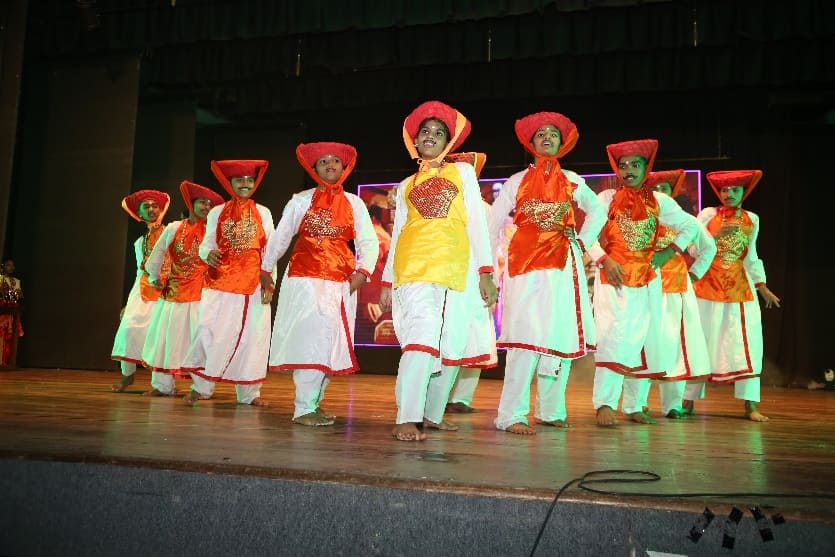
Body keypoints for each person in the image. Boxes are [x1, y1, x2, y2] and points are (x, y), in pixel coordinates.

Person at [379, 100, 498, 441]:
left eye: (438, 133)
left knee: (452, 341)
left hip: (457, 269)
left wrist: (485, 271)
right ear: (414, 141)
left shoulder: (461, 173)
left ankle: (431, 414)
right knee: (423, 334)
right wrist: (387, 280)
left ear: (449, 142)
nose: (430, 137)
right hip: (414, 268)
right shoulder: (404, 187)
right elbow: (399, 230)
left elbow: (475, 220)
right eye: (425, 132)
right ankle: (407, 417)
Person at [488, 111, 606, 434]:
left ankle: (551, 410)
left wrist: (582, 242)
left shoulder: (572, 179)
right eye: (540, 134)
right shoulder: (516, 181)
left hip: (562, 265)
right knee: (525, 338)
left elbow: (598, 210)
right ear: (531, 143)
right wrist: (487, 267)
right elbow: (493, 222)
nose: (547, 138)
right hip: (524, 266)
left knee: (558, 334)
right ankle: (511, 414)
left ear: (562, 142)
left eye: (553, 134)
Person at [260, 142, 378, 426]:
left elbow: (368, 240)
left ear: (344, 167)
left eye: (335, 161)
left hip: (341, 281)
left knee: (330, 343)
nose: (329, 166)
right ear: (315, 168)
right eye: (323, 162)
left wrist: (362, 272)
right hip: (305, 278)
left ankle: (313, 402)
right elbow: (281, 236)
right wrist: (265, 268)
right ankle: (303, 408)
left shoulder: (354, 202)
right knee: (310, 340)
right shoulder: (301, 200)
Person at [586, 139, 699, 426]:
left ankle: (635, 405)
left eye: (635, 165)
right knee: (613, 338)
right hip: (614, 279)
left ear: (645, 168)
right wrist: (604, 259)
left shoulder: (660, 201)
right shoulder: (605, 198)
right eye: (622, 166)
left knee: (644, 340)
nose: (628, 170)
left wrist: (668, 252)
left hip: (648, 278)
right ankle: (605, 404)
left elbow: (690, 226)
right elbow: (585, 235)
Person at [686, 170, 780, 422]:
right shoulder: (707, 215)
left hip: (740, 288)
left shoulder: (752, 219)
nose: (729, 194)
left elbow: (751, 255)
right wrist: (714, 238)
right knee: (700, 342)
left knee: (746, 344)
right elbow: (693, 249)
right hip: (707, 286)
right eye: (725, 190)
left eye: (734, 190)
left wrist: (763, 286)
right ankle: (687, 402)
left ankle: (750, 406)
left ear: (743, 192)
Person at [181, 160, 275, 407]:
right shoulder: (216, 212)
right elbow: (207, 244)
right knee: (207, 331)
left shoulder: (263, 212)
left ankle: (248, 394)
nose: (245, 184)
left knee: (252, 338)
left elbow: (271, 249)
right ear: (229, 183)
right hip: (219, 282)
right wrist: (206, 254)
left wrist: (268, 283)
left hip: (253, 285)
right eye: (239, 180)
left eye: (249, 180)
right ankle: (201, 387)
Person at [641, 170, 715, 419]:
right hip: (642, 284)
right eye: (655, 187)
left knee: (673, 344)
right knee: (642, 343)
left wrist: (694, 275)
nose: (660, 191)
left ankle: (672, 405)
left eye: (665, 187)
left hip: (674, 287)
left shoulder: (684, 220)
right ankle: (637, 403)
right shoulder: (638, 215)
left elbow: (709, 247)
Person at [140, 180, 224, 396]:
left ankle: (202, 388)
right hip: (173, 292)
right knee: (166, 340)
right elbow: (157, 255)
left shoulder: (214, 232)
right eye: (202, 203)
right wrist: (155, 277)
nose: (206, 207)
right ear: (190, 203)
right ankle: (162, 386)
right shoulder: (174, 228)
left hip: (201, 293)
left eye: (209, 204)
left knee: (199, 340)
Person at [111, 190, 170, 392]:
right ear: (139, 214)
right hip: (142, 290)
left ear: (161, 210)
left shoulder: (171, 233)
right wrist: (130, 302)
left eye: (155, 206)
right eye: (147, 207)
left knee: (160, 335)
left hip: (166, 290)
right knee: (128, 329)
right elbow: (139, 271)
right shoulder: (139, 242)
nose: (152, 209)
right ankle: (127, 376)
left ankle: (161, 384)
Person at [0, 259, 24, 366]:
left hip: (11, 312)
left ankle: (6, 361)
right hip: (2, 311)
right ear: (3, 266)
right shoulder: (1, 279)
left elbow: (19, 296)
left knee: (9, 337)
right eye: (8, 265)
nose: (11, 267)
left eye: (12, 265)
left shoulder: (15, 281)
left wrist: (18, 294)